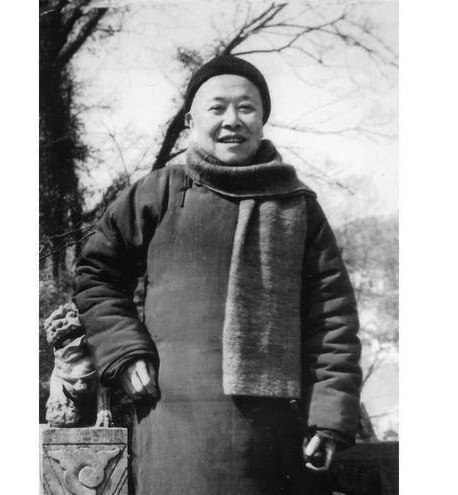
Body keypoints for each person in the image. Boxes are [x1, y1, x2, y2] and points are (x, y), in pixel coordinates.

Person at [74, 55, 362, 494]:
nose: (232, 120)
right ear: (191, 121)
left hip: (277, 438)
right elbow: (96, 274)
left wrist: (329, 418)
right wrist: (125, 351)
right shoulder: (159, 192)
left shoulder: (298, 206)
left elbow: (332, 318)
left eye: (246, 108)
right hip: (174, 427)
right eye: (217, 107)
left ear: (262, 120)